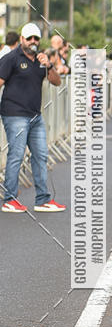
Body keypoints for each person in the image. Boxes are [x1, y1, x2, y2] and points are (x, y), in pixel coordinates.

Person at [0, 22, 66, 213]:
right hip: (15, 115)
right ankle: (10, 200)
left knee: (41, 155)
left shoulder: (41, 59)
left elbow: (57, 82)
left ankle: (43, 199)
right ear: (22, 39)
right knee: (16, 155)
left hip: (35, 116)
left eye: (36, 38)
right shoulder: (11, 58)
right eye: (29, 38)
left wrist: (49, 65)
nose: (33, 41)